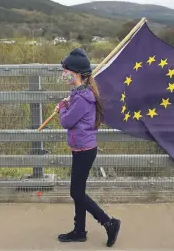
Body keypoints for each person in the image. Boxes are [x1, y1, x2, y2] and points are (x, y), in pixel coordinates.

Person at [55, 48, 121, 247]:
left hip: (84, 150)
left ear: (76, 74)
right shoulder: (79, 94)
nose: (63, 74)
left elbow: (66, 122)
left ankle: (109, 223)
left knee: (76, 193)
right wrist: (68, 103)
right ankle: (80, 231)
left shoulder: (82, 98)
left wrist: (62, 108)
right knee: (78, 191)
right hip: (81, 149)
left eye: (65, 70)